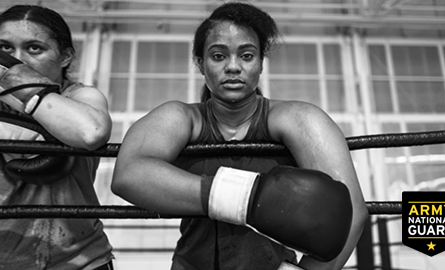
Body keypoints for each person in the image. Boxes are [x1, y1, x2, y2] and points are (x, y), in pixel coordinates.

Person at [112, 2, 368, 270]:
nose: (233, 67)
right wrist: (245, 199)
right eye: (219, 56)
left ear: (260, 63)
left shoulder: (297, 118)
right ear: (200, 63)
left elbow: (351, 212)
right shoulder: (181, 118)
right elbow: (128, 173)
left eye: (246, 55)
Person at [0, 5, 114, 270]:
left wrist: (16, 84)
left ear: (65, 56)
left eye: (34, 48)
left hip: (79, 260)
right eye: (4, 49)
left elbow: (89, 132)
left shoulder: (80, 97)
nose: (17, 59)